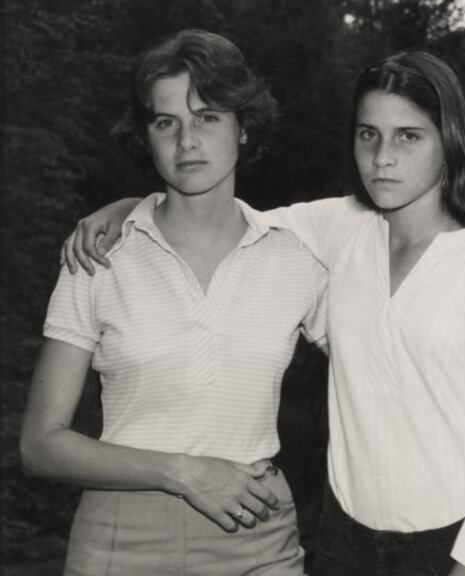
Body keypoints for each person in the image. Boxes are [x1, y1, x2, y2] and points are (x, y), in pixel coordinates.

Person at [60, 50, 465, 576]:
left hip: (456, 543)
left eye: (408, 136)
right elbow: (212, 218)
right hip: (344, 542)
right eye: (369, 134)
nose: (383, 156)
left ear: (450, 141)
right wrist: (127, 209)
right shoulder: (337, 230)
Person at [21, 29, 326, 575]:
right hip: (121, 537)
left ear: (244, 128)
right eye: (167, 122)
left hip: (258, 532)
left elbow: (384, 365)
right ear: (148, 136)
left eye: (207, 117)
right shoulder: (100, 256)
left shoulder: (295, 257)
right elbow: (41, 445)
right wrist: (181, 471)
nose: (187, 141)